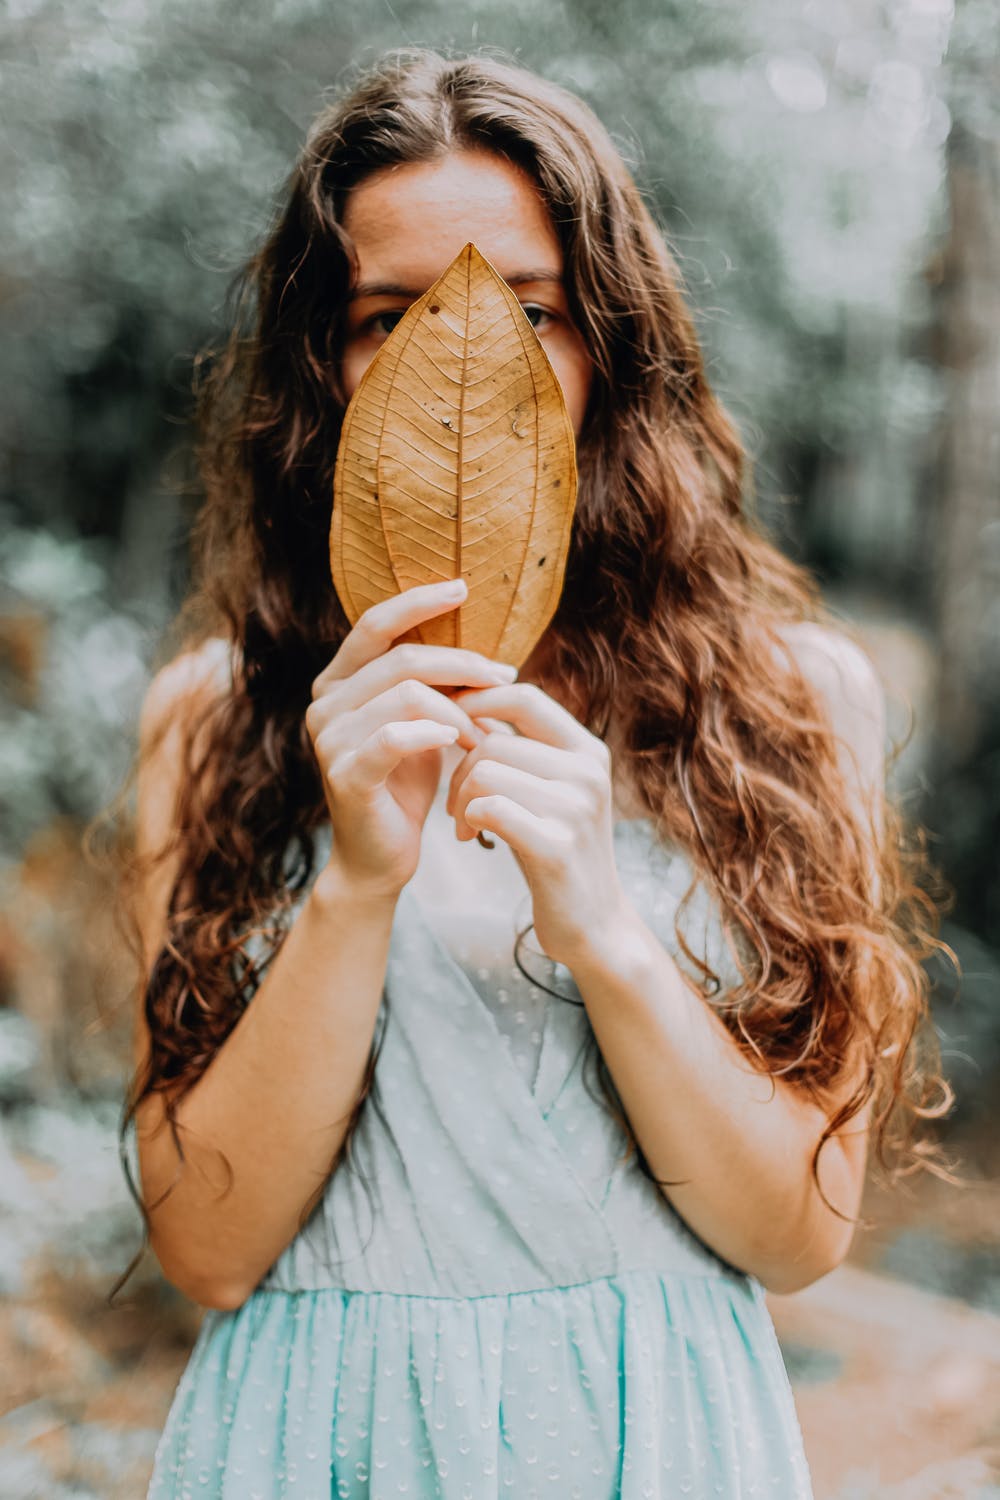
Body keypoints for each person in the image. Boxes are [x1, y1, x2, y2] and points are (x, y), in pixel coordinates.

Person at [114, 46, 955, 1499]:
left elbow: (796, 1236)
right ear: (325, 360)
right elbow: (205, 1243)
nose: (465, 361)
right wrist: (355, 884)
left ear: (614, 344)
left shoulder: (794, 702)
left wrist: (604, 929)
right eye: (394, 316)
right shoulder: (216, 714)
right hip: (319, 1434)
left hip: (655, 1433)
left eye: (530, 310)